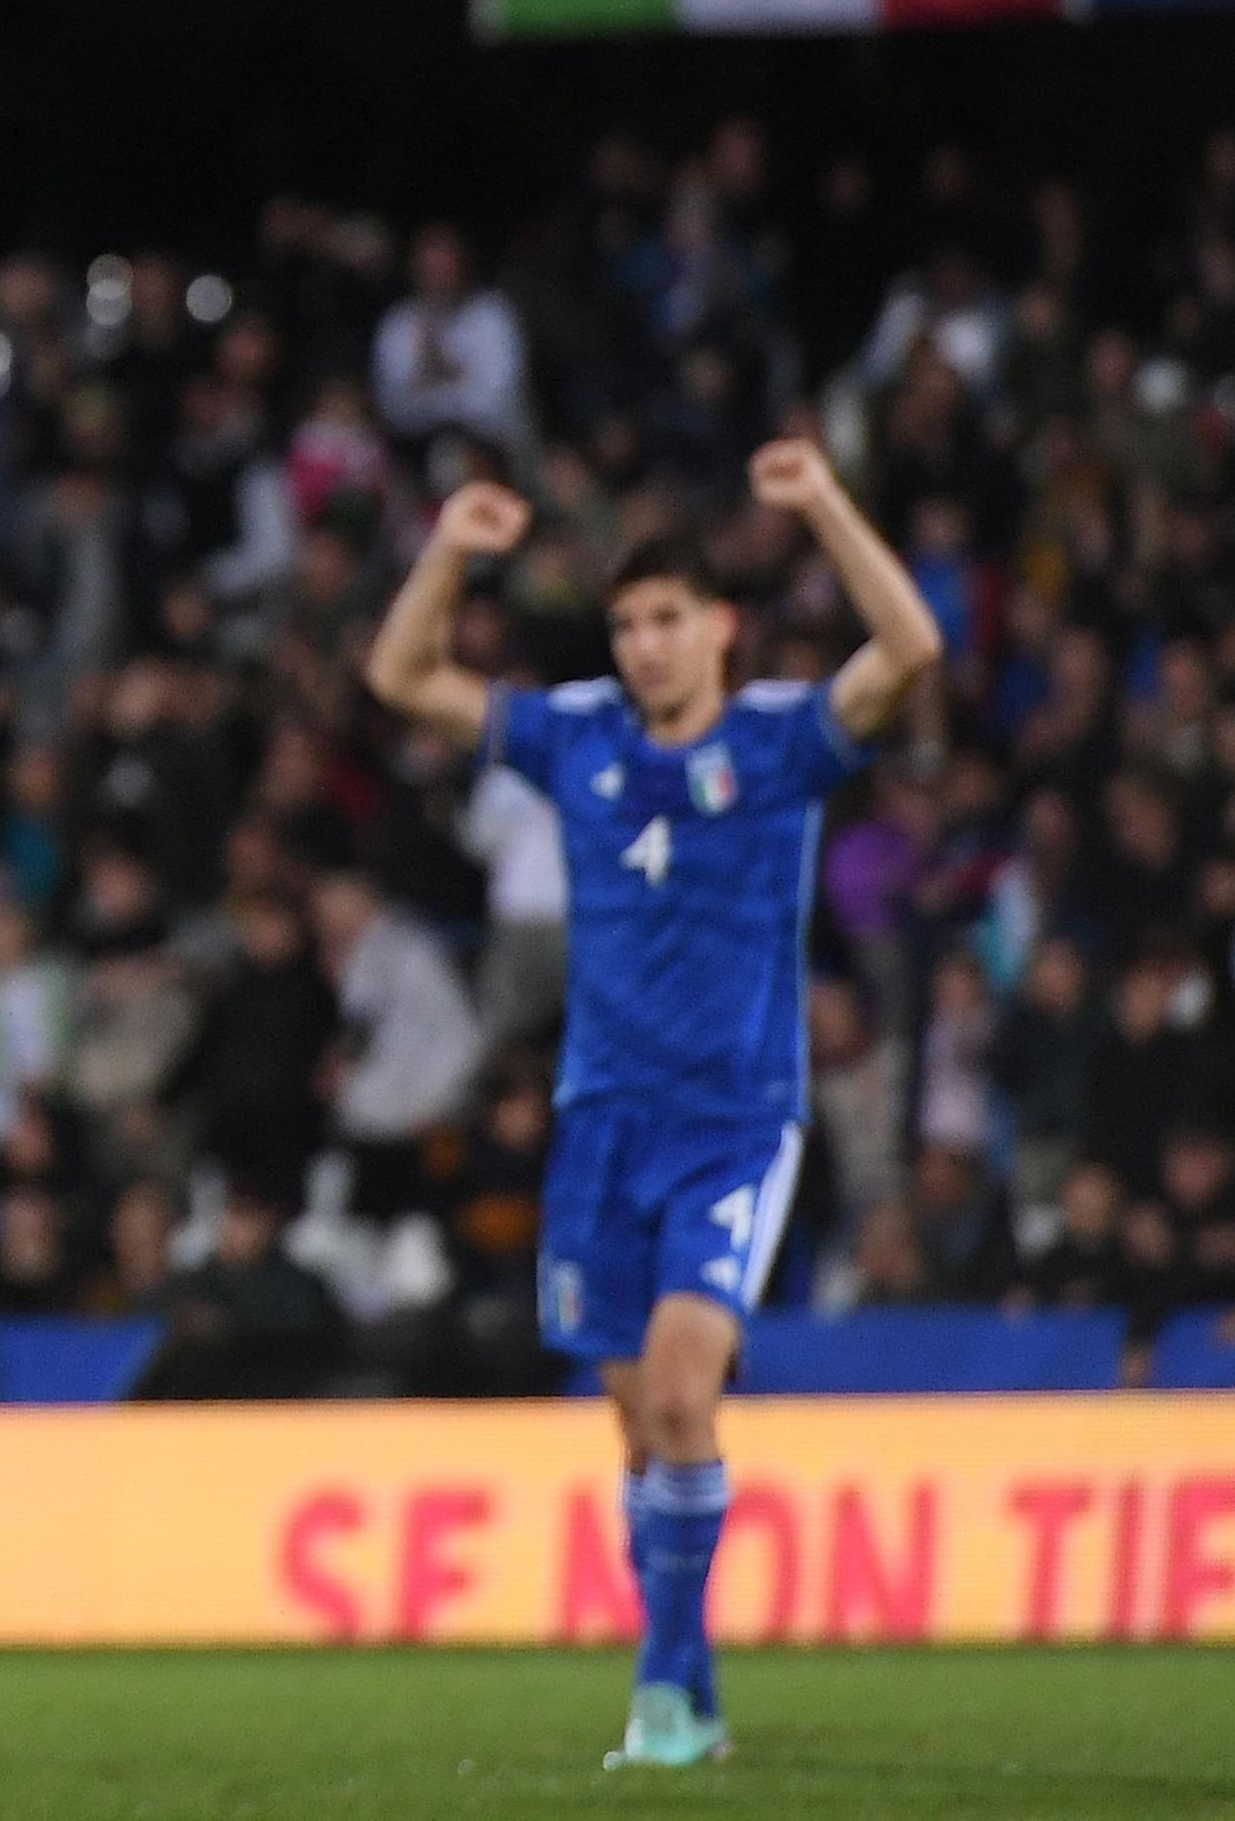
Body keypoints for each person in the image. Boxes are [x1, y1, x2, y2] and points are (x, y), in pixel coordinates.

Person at [363, 437, 938, 1770]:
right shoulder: (577, 738)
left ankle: (666, 1692)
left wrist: (826, 505)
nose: (645, 644)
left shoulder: (780, 742)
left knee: (685, 1395)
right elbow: (399, 674)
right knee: (637, 1421)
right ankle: (690, 1684)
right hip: (601, 1125)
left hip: (735, 1120)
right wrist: (450, 544)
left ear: (720, 625)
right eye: (626, 622)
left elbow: (908, 647)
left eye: (669, 617)